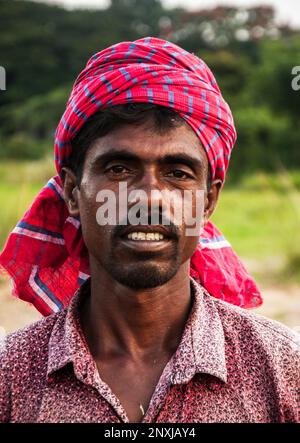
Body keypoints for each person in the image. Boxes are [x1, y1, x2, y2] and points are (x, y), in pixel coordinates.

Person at [0, 38, 299, 423]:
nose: (150, 199)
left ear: (208, 202)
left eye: (178, 173)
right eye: (119, 169)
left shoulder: (282, 371)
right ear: (73, 193)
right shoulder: (11, 378)